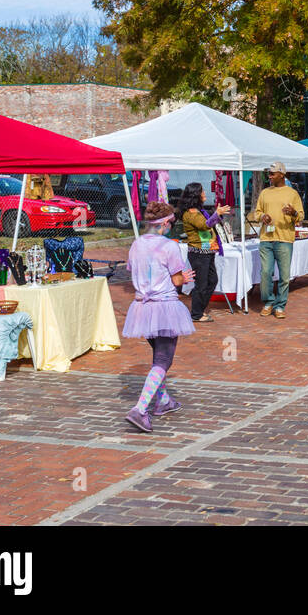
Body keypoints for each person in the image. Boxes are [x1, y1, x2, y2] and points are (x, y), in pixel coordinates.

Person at [122, 201, 196, 432]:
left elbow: (134, 270)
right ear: (164, 223)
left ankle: (163, 401)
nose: (171, 226)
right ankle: (140, 409)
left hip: (142, 308)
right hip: (163, 306)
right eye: (171, 223)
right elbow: (176, 280)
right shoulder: (169, 246)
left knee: (158, 356)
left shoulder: (136, 245)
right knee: (164, 360)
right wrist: (185, 277)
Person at [249, 161, 304, 319]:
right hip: (266, 238)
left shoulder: (292, 193)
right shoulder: (265, 192)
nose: (270, 176)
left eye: (273, 173)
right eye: (269, 173)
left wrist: (293, 212)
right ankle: (268, 302)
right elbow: (256, 213)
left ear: (282, 174)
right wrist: (262, 216)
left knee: (285, 276)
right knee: (266, 272)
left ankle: (280, 306)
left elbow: (300, 216)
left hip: (285, 239)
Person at [178, 182, 232, 322]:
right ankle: (196, 314)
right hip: (198, 253)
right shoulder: (190, 214)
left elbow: (209, 223)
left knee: (212, 281)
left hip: (207, 252)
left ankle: (199, 310)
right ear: (196, 195)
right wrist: (217, 214)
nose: (205, 194)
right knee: (201, 285)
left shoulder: (199, 211)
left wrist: (217, 215)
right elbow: (204, 225)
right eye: (202, 192)